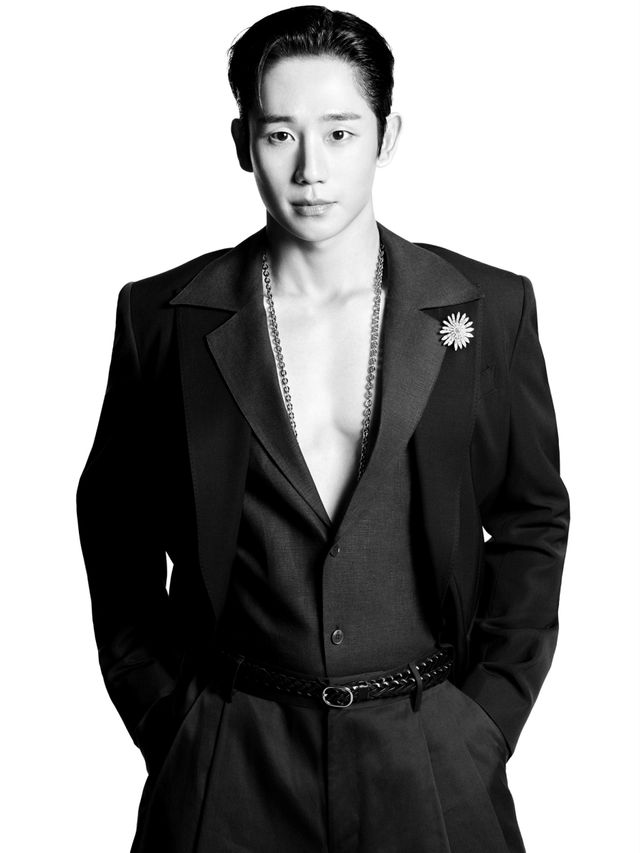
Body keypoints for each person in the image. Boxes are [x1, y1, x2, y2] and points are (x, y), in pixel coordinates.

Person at [76, 6, 570, 852]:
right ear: (243, 142)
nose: (312, 169)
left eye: (341, 133)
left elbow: (532, 515)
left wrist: (487, 715)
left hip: (429, 750)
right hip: (230, 755)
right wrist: (170, 716)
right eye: (281, 135)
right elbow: (114, 522)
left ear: (387, 136)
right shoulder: (162, 317)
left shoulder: (487, 309)